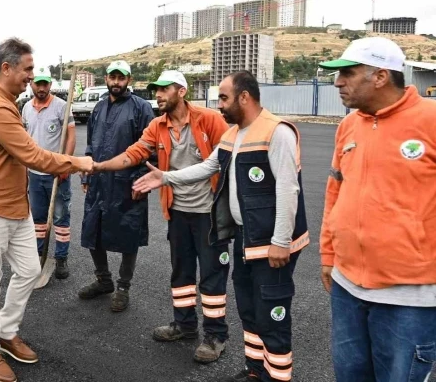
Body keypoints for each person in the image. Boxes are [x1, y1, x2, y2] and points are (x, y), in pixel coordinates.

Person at [134, 70, 309, 382]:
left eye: (224, 98)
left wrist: (282, 241)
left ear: (244, 97)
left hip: (271, 243)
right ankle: (256, 371)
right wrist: (166, 177)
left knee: (272, 315)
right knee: (250, 311)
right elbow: (207, 166)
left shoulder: (276, 132)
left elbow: (287, 189)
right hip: (244, 239)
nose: (220, 105)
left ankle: (278, 377)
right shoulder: (233, 135)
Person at [0, 38, 93, 382]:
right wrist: (77, 162)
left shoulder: (6, 102)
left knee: (30, 270)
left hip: (15, 208)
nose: (32, 77)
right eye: (28, 69)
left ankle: (6, 331)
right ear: (7, 68)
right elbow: (32, 156)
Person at [318, 37, 436, 382]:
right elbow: (334, 191)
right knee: (350, 375)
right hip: (347, 286)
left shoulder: (430, 120)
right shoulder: (348, 126)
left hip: (409, 295)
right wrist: (328, 256)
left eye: (348, 74)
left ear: (380, 76)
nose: (338, 82)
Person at [94, 70, 230, 363]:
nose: (156, 95)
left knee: (211, 277)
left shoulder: (209, 120)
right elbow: (133, 153)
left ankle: (216, 336)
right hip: (178, 212)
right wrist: (101, 166)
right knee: (180, 273)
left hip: (209, 214)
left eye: (163, 89)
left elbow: (227, 159)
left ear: (181, 91)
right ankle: (184, 325)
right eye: (155, 90)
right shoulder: (158, 126)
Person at [78, 60, 155, 313]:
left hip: (127, 183)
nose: (116, 82)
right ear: (106, 78)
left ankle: (123, 287)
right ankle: (104, 280)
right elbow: (90, 145)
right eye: (113, 77)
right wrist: (87, 175)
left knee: (128, 234)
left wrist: (141, 180)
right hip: (99, 181)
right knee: (93, 231)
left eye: (121, 78)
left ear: (129, 80)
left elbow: (150, 148)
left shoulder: (141, 108)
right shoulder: (99, 108)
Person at [21, 66, 76, 280]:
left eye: (45, 84)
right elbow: (24, 140)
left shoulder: (62, 106)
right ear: (32, 84)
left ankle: (61, 258)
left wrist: (66, 164)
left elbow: (71, 136)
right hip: (35, 173)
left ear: (50, 85)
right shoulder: (26, 108)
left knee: (61, 217)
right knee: (38, 219)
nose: (41, 87)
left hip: (57, 172)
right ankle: (38, 255)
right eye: (38, 83)